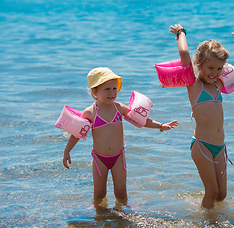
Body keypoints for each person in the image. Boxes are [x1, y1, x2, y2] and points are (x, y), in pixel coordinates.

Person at [62, 67, 178, 206]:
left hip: (118, 157)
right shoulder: (90, 113)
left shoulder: (119, 108)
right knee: (99, 194)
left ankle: (122, 218)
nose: (112, 93)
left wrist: (161, 125)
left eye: (114, 88)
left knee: (121, 193)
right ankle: (100, 219)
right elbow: (76, 134)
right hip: (100, 159)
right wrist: (67, 151)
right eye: (107, 89)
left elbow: (141, 121)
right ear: (95, 91)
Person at [169, 22, 234, 209]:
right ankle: (207, 222)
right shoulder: (194, 86)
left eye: (219, 69)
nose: (215, 73)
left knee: (222, 195)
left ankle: (201, 209)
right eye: (210, 68)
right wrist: (181, 33)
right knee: (212, 191)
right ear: (199, 65)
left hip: (219, 147)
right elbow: (184, 55)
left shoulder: (218, 85)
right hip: (202, 146)